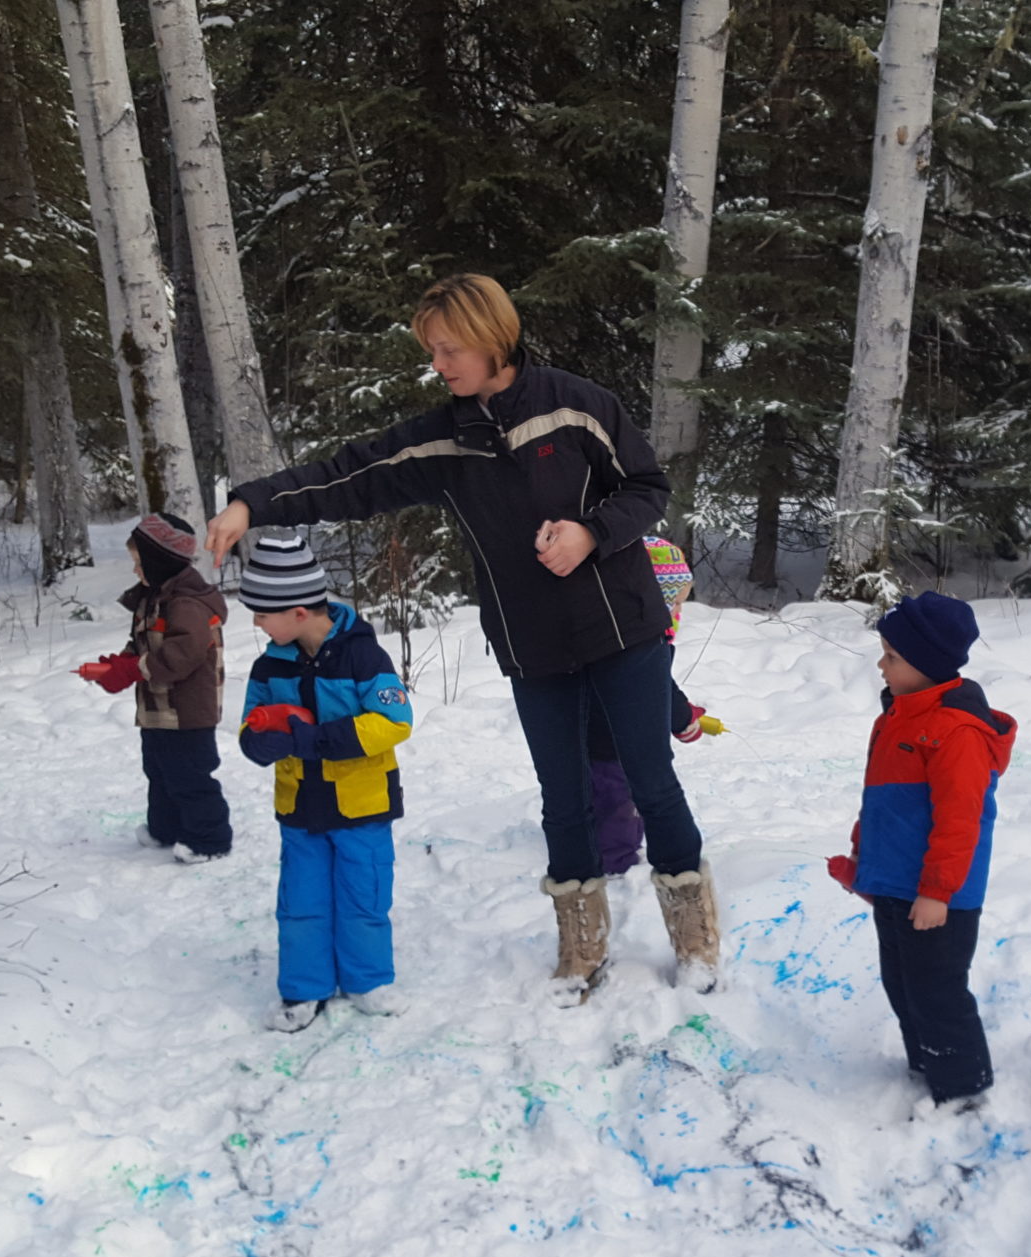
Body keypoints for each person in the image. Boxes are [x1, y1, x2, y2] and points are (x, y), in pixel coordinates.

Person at [203, 274, 716, 1003]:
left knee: (650, 781)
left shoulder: (575, 405)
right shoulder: (444, 439)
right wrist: (251, 503)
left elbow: (646, 486)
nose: (438, 364)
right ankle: (581, 945)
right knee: (563, 798)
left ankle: (694, 935)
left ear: (492, 338)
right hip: (534, 646)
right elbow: (349, 474)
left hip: (623, 628)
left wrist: (591, 532)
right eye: (432, 351)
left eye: (450, 349)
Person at [827, 592, 1016, 1116]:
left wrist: (937, 893)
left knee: (937, 991)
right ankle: (926, 1064)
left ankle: (962, 1090)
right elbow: (883, 802)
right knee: (902, 983)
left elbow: (960, 821)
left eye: (892, 656)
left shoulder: (957, 732)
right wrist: (863, 860)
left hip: (938, 897)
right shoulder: (898, 716)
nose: (881, 665)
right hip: (896, 884)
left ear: (926, 665)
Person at [233, 534, 414, 1031]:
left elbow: (394, 721)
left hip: (363, 807)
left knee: (363, 896)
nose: (257, 623)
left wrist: (319, 740)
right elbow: (251, 723)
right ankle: (303, 986)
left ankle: (368, 980)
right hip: (301, 807)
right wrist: (258, 743)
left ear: (297, 613)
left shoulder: (363, 658)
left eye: (262, 614)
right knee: (301, 901)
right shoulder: (270, 664)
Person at [76, 514, 231, 862]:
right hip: (158, 709)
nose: (135, 571)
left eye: (139, 562)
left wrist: (134, 668)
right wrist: (119, 664)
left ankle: (209, 840)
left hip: (188, 711)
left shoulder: (186, 605)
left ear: (160, 561)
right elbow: (142, 642)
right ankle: (165, 829)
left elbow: (184, 653)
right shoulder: (153, 598)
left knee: (189, 776)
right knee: (159, 771)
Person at [588, 536, 724, 881]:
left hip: (593, 739)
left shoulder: (602, 632)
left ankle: (595, 844)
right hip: (616, 746)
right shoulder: (643, 646)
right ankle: (616, 862)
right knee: (619, 801)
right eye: (674, 603)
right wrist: (683, 719)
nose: (678, 613)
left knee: (598, 795)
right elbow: (658, 689)